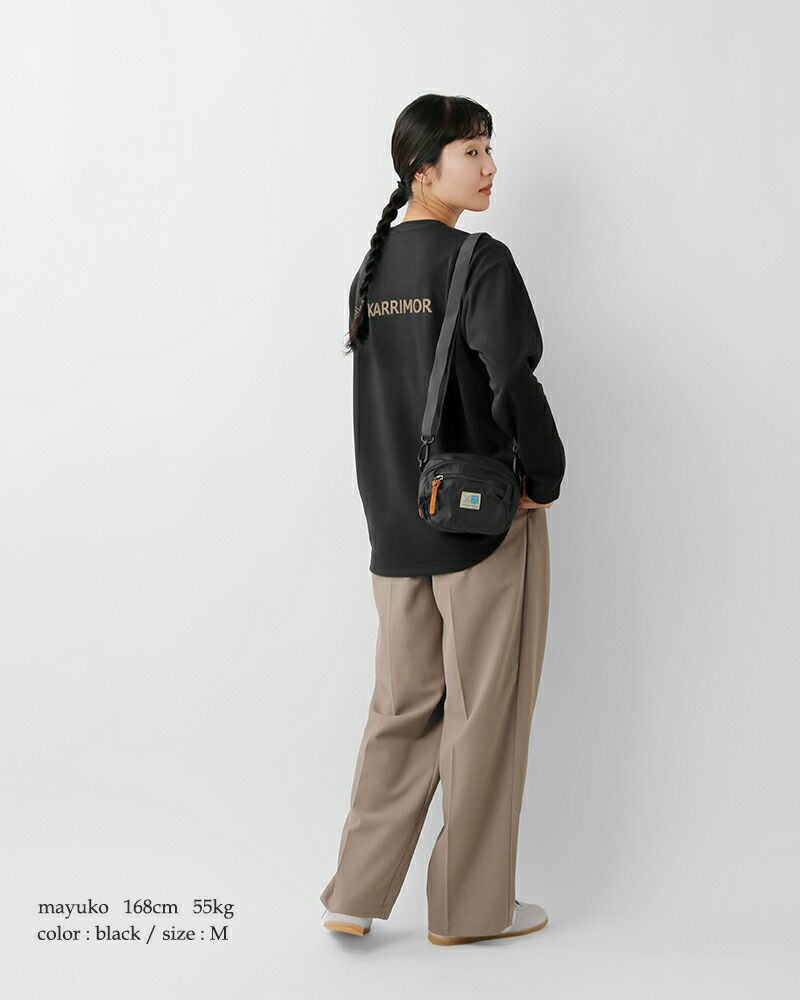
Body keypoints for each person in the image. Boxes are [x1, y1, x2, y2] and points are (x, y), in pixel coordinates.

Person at [319, 93, 566, 946]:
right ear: (422, 169)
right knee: (484, 715)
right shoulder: (479, 260)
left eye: (490, 148)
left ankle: (353, 895)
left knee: (402, 707)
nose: (490, 167)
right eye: (471, 151)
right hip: (480, 525)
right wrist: (544, 478)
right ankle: (470, 911)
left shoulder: (371, 269)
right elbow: (512, 381)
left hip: (395, 527)